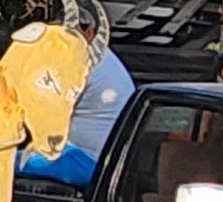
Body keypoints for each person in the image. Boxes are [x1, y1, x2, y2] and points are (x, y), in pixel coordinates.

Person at [18, 42, 136, 190]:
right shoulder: (101, 55)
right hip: (106, 161)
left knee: (2, 162)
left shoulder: (76, 60)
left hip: (83, 160)